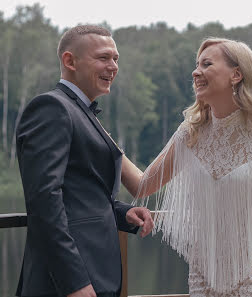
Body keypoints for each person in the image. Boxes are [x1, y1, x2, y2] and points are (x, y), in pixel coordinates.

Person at [123, 38, 252, 297]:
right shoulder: (189, 135)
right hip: (204, 281)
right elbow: (143, 185)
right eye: (196, 65)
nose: (196, 72)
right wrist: (101, 138)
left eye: (207, 64)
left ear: (236, 74)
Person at [15, 25, 154, 297]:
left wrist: (121, 213)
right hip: (67, 283)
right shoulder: (51, 108)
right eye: (103, 58)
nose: (113, 66)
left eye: (116, 59)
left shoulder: (82, 112)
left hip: (96, 275)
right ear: (70, 61)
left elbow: (81, 190)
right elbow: (44, 200)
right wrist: (74, 281)